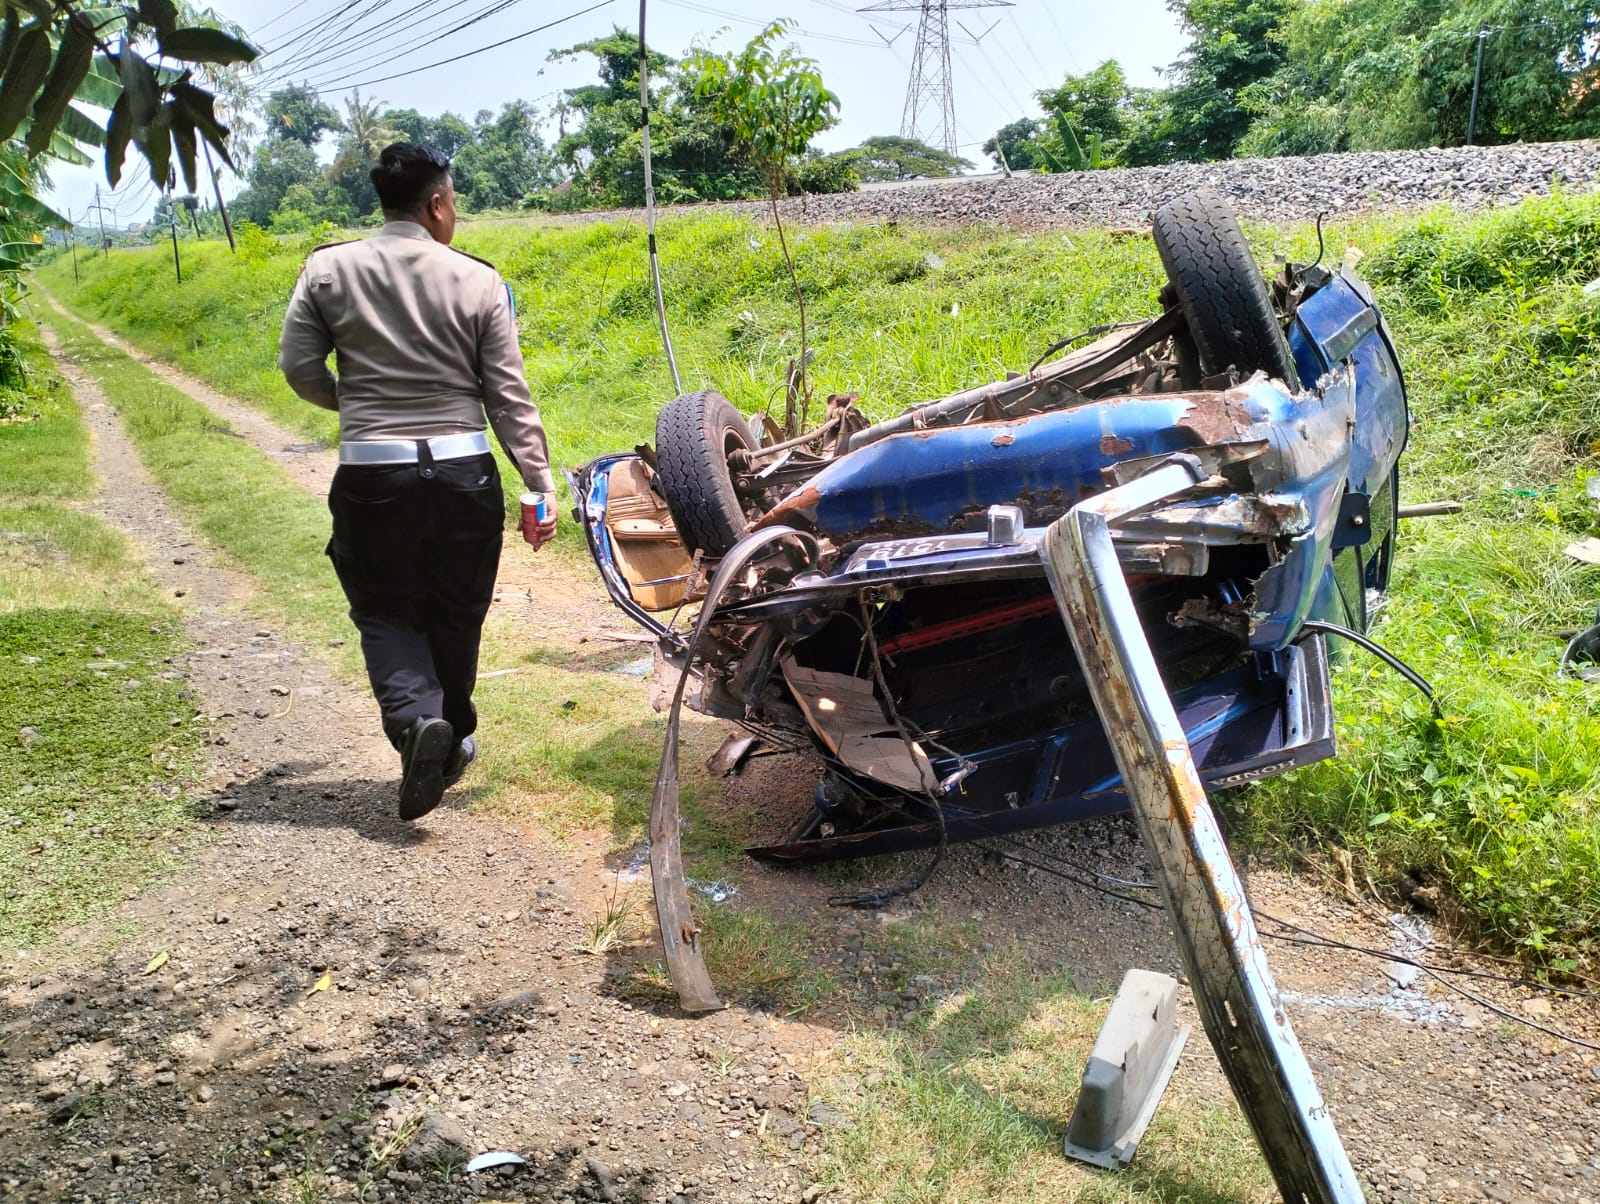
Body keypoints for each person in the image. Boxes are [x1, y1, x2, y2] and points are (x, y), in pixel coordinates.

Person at [277, 143, 557, 821]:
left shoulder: (327, 269)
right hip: (464, 472)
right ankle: (451, 733)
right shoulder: (479, 281)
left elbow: (299, 366)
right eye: (454, 202)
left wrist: (361, 409)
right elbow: (508, 397)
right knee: (458, 609)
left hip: (374, 475)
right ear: (437, 204)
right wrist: (539, 483)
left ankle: (417, 726)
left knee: (384, 608)